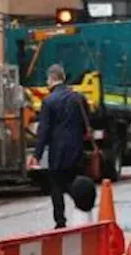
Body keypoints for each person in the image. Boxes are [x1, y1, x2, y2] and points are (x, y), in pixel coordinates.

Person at [30, 64, 89, 229]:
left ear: (51, 79)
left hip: (58, 151)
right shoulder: (78, 98)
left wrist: (37, 154)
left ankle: (60, 221)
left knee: (56, 185)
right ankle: (84, 208)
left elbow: (44, 131)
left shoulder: (49, 101)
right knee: (74, 181)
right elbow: (86, 123)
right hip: (76, 148)